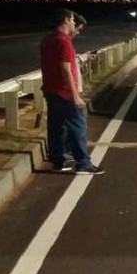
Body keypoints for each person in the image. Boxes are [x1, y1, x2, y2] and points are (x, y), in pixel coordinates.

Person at [40, 9, 105, 175]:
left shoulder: (47, 39)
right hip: (65, 92)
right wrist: (75, 95)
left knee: (56, 127)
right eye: (72, 20)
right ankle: (83, 163)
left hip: (50, 89)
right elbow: (66, 70)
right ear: (65, 20)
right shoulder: (64, 41)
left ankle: (58, 161)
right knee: (78, 127)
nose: (74, 23)